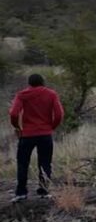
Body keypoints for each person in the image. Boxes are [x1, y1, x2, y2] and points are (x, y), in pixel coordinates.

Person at [9, 74, 64, 202]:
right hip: (45, 134)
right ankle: (43, 191)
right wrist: (51, 127)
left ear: (29, 83)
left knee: (23, 163)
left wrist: (17, 127)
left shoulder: (22, 95)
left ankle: (21, 192)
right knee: (45, 163)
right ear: (43, 82)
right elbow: (59, 114)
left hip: (27, 134)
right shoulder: (51, 94)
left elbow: (13, 113)